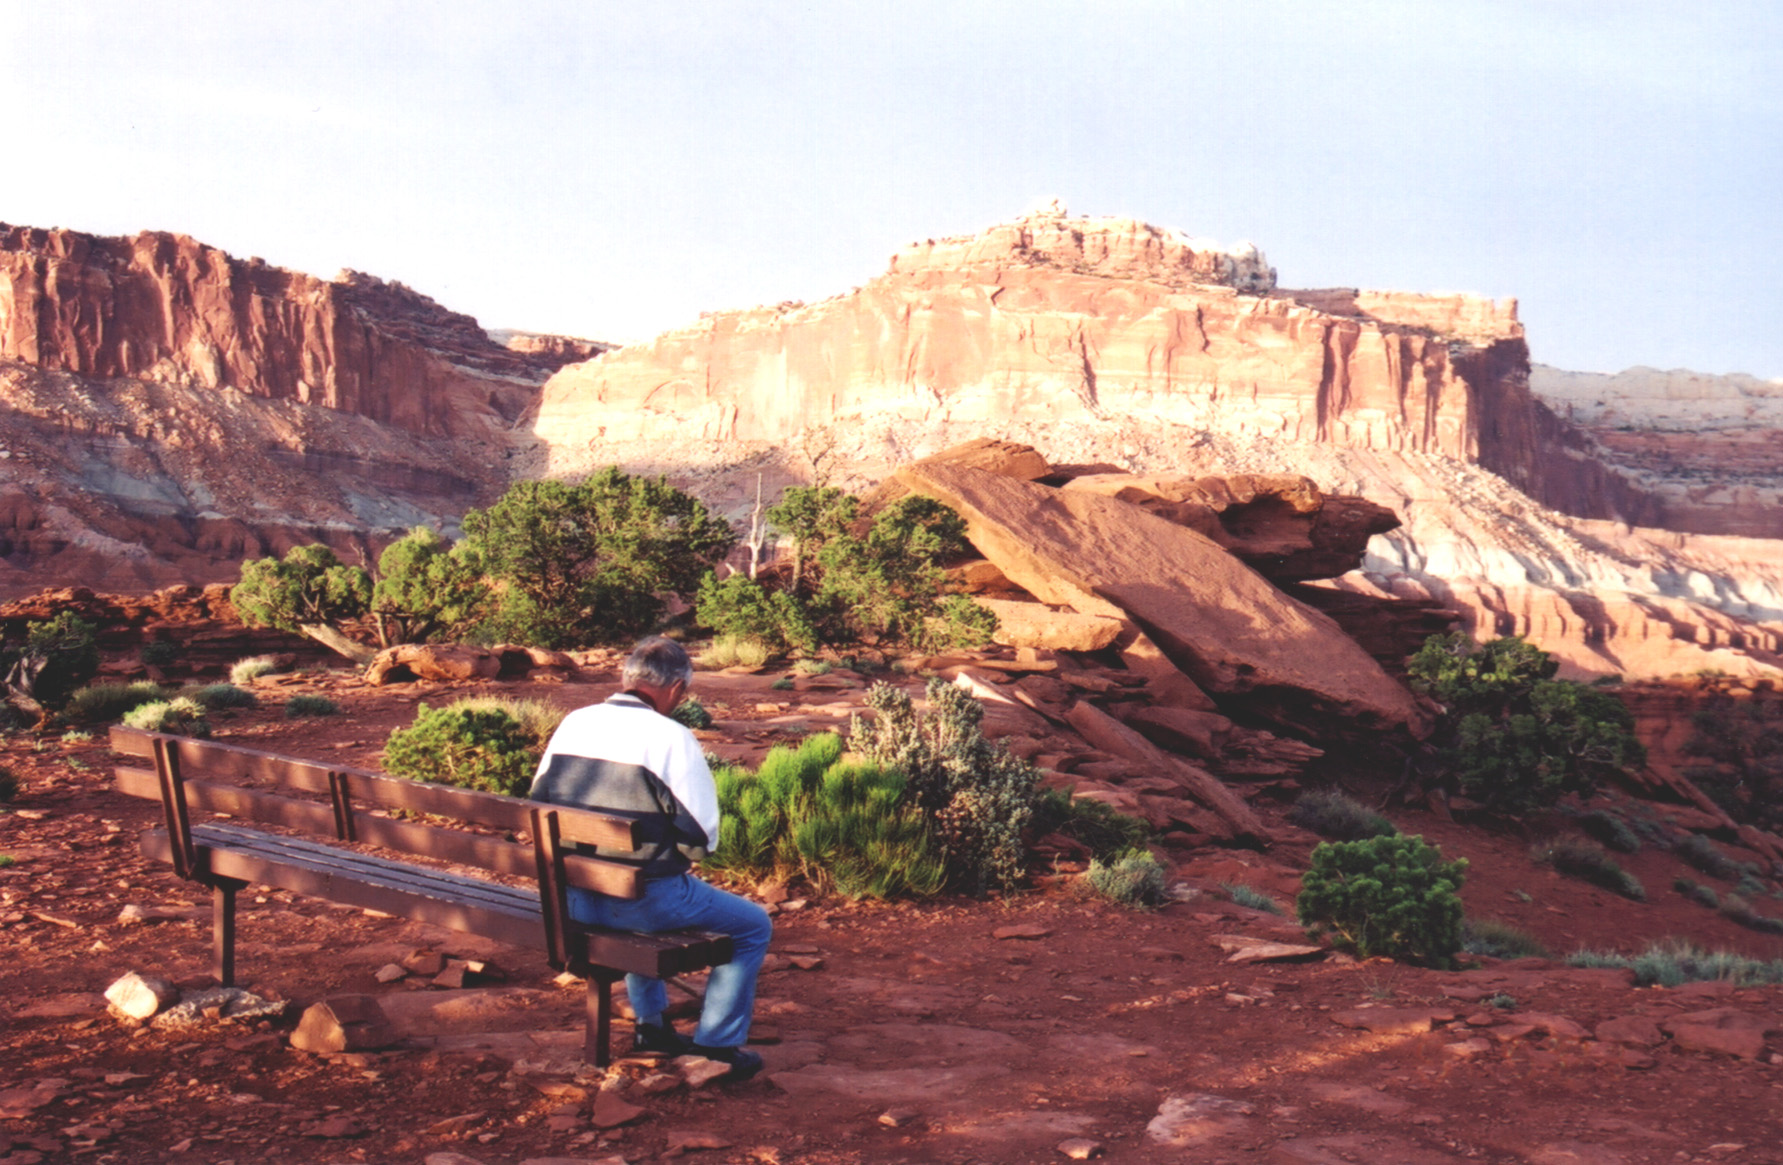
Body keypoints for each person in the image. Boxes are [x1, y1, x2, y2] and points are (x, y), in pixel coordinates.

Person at [528, 636, 771, 1081]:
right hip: (641, 902)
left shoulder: (574, 722)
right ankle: (716, 1046)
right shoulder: (671, 737)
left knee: (633, 885)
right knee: (754, 926)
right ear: (677, 689)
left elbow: (538, 801)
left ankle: (653, 1028)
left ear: (627, 679)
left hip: (572, 897)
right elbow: (702, 837)